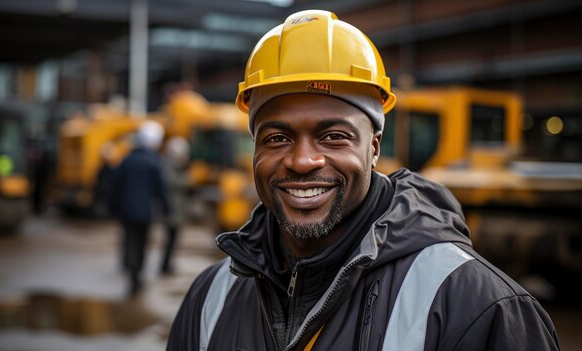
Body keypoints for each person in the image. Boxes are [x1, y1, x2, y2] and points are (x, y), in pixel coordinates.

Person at [167, 10, 559, 351]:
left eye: (333, 136)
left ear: (373, 148)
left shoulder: (478, 307)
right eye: (277, 138)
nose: (303, 160)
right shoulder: (210, 297)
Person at [110, 120, 169, 298]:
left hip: (127, 211)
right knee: (142, 244)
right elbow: (161, 189)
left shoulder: (126, 160)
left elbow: (115, 186)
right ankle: (137, 275)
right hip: (145, 213)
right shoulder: (153, 162)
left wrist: (113, 208)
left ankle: (131, 273)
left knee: (129, 241)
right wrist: (166, 208)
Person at [159, 136, 191, 274]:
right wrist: (188, 179)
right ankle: (165, 265)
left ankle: (167, 264)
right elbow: (171, 181)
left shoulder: (176, 166)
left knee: (173, 239)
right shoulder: (169, 165)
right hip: (171, 210)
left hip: (176, 210)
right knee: (169, 239)